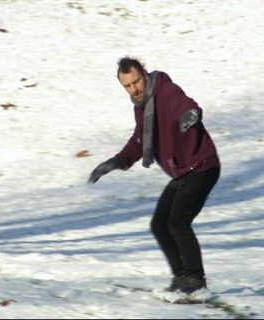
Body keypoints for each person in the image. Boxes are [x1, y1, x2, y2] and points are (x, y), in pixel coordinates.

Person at [88, 57, 221, 296]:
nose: (134, 89)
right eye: (127, 86)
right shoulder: (142, 108)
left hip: (202, 166)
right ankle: (182, 278)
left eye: (136, 82)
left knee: (178, 222)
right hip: (183, 171)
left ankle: (196, 281)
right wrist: (116, 162)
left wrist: (189, 117)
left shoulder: (166, 90)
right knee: (159, 224)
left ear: (145, 74)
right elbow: (139, 141)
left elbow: (187, 105)